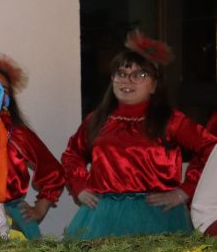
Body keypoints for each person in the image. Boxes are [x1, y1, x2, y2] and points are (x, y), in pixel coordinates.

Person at [61, 30, 216, 239]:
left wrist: (185, 190)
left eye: (139, 75)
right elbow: (72, 154)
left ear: (153, 85)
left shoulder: (171, 120)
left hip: (157, 218)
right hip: (103, 217)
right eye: (121, 74)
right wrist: (79, 187)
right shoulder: (96, 120)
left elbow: (211, 148)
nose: (128, 81)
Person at [0, 54, 65, 239]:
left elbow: (53, 171)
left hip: (13, 218)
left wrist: (40, 208)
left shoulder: (18, 135)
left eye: (4, 90)